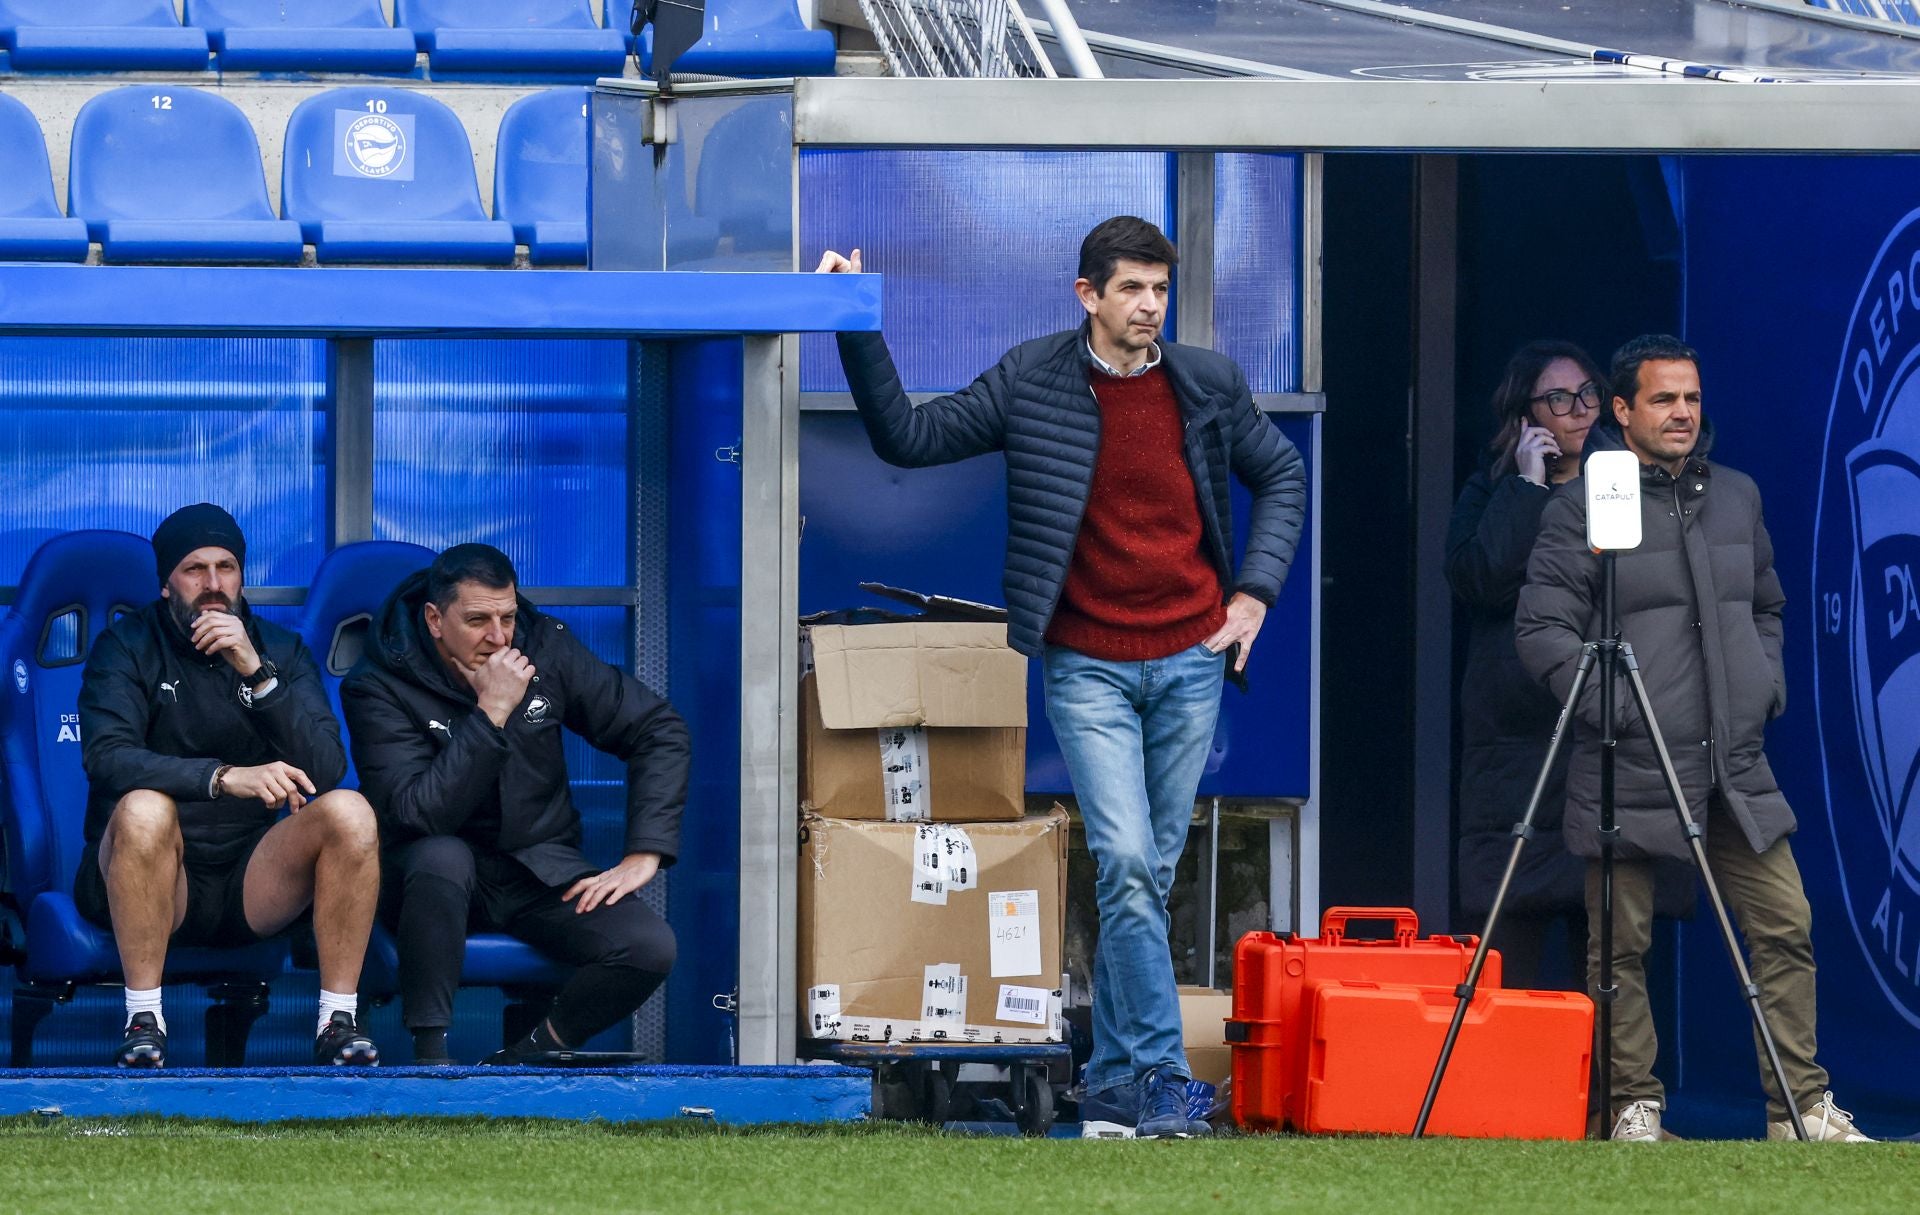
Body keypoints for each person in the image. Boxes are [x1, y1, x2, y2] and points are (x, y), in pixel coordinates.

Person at [818, 216, 1307, 1139]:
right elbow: (909, 439)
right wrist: (855, 318)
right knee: (1126, 863)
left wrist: (1255, 595)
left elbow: (1282, 472)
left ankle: (1118, 1078)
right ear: (1087, 294)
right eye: (1132, 289)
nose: (1150, 307)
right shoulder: (1032, 377)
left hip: (1192, 657)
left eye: (1160, 290)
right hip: (1088, 663)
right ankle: (1161, 1076)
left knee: (1145, 879)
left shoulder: (1204, 381)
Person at [1516, 335, 1871, 1143]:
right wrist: (1620, 708)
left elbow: (1768, 606)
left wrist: (1761, 686)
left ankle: (1800, 1108)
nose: (1682, 413)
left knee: (1786, 923)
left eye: (1693, 398)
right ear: (1622, 410)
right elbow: (1541, 629)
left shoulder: (1737, 495)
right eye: (1664, 399)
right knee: (1619, 948)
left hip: (1731, 763)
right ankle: (1634, 1106)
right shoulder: (1581, 504)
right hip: (1629, 759)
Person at [340, 543, 688, 1065]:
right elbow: (418, 814)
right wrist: (492, 711)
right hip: (424, 877)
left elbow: (657, 729)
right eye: (478, 620)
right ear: (435, 619)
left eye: (507, 616)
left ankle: (531, 1055)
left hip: (536, 868)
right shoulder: (379, 683)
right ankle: (431, 1058)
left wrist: (646, 852)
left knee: (648, 947)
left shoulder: (543, 646)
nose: (500, 637)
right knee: (442, 856)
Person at [77, 503, 381, 1068]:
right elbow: (107, 758)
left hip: (251, 878)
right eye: (195, 569)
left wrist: (255, 671)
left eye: (227, 567)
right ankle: (143, 1021)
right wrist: (222, 779)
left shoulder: (279, 650)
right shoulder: (125, 646)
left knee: (350, 811)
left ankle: (337, 1022)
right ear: (166, 584)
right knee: (144, 808)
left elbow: (326, 767)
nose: (214, 585)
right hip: (154, 874)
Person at [1446, 341, 1603, 990]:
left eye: (1588, 394)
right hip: (1515, 754)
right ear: (1525, 413)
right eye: (1558, 398)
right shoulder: (1490, 490)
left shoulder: (1621, 488)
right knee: (1506, 952)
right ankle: (1511, 1092)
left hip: (1597, 738)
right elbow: (1479, 578)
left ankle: (1610, 1094)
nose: (1578, 410)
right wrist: (1526, 485)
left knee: (1609, 959)